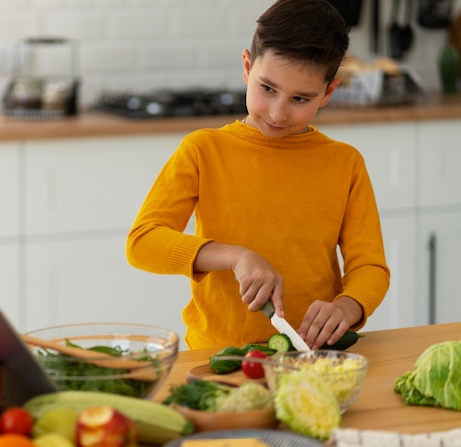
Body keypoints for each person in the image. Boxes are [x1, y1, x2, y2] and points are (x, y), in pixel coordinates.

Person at [125, 0, 390, 350]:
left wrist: (348, 305)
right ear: (247, 67)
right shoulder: (203, 150)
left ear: (328, 93)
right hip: (217, 357)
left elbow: (370, 267)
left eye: (300, 98)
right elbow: (143, 242)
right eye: (267, 88)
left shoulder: (345, 163)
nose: (278, 113)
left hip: (311, 356)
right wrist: (235, 256)